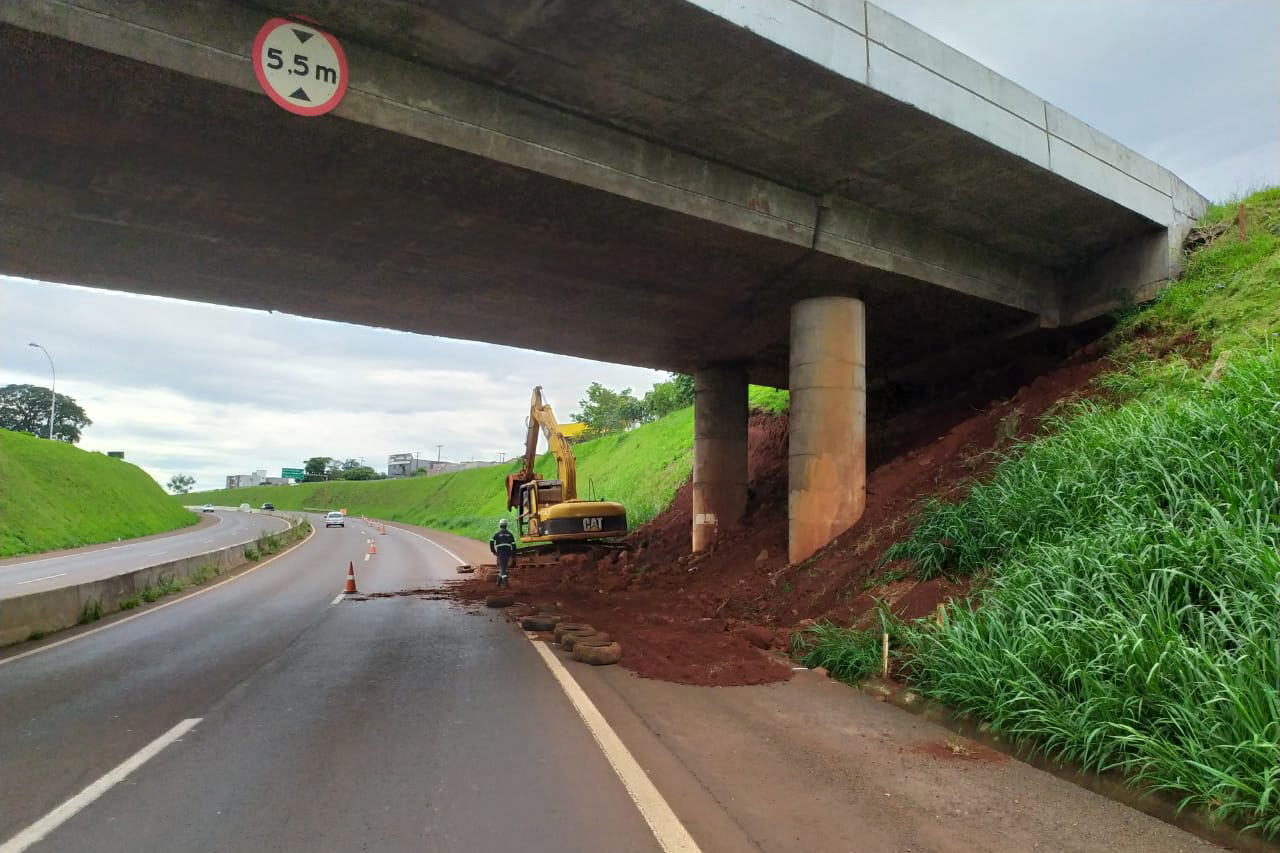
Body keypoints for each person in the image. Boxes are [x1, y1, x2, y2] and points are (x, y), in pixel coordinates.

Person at [489, 518, 516, 588]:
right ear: (506, 525)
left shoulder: (497, 534)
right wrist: (513, 555)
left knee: (503, 569)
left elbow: (491, 541)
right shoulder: (510, 534)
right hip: (508, 553)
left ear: (500, 525)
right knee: (503, 567)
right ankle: (498, 582)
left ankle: (506, 584)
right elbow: (514, 546)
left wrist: (493, 551)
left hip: (501, 553)